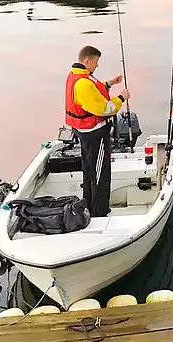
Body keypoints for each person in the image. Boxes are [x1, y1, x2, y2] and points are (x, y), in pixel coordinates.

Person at [64, 45, 130, 217]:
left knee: (89, 170)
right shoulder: (83, 84)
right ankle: (99, 212)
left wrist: (109, 84)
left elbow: (94, 91)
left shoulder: (76, 76)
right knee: (100, 173)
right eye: (96, 61)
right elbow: (104, 109)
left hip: (83, 132)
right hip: (95, 134)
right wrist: (121, 98)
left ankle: (89, 205)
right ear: (87, 61)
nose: (97, 65)